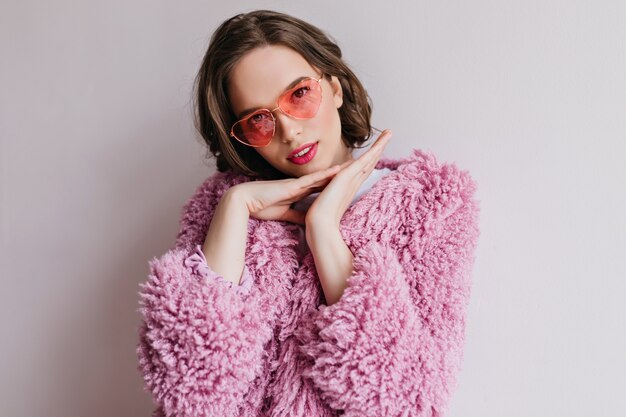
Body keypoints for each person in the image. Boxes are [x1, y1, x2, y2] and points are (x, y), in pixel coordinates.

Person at [136, 9, 481, 417]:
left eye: (299, 94)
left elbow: (411, 401)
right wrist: (235, 207)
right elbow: (191, 392)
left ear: (334, 88)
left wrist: (324, 230)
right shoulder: (220, 210)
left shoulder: (431, 206)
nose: (289, 131)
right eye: (259, 119)